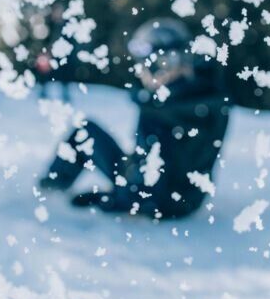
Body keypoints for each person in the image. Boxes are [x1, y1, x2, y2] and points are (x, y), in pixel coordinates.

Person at [38, 18, 230, 220]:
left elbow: (149, 191)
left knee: (85, 134)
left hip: (157, 205)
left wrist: (106, 200)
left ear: (168, 62)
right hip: (189, 202)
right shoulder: (207, 99)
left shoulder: (162, 110)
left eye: (149, 65)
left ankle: (49, 193)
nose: (142, 73)